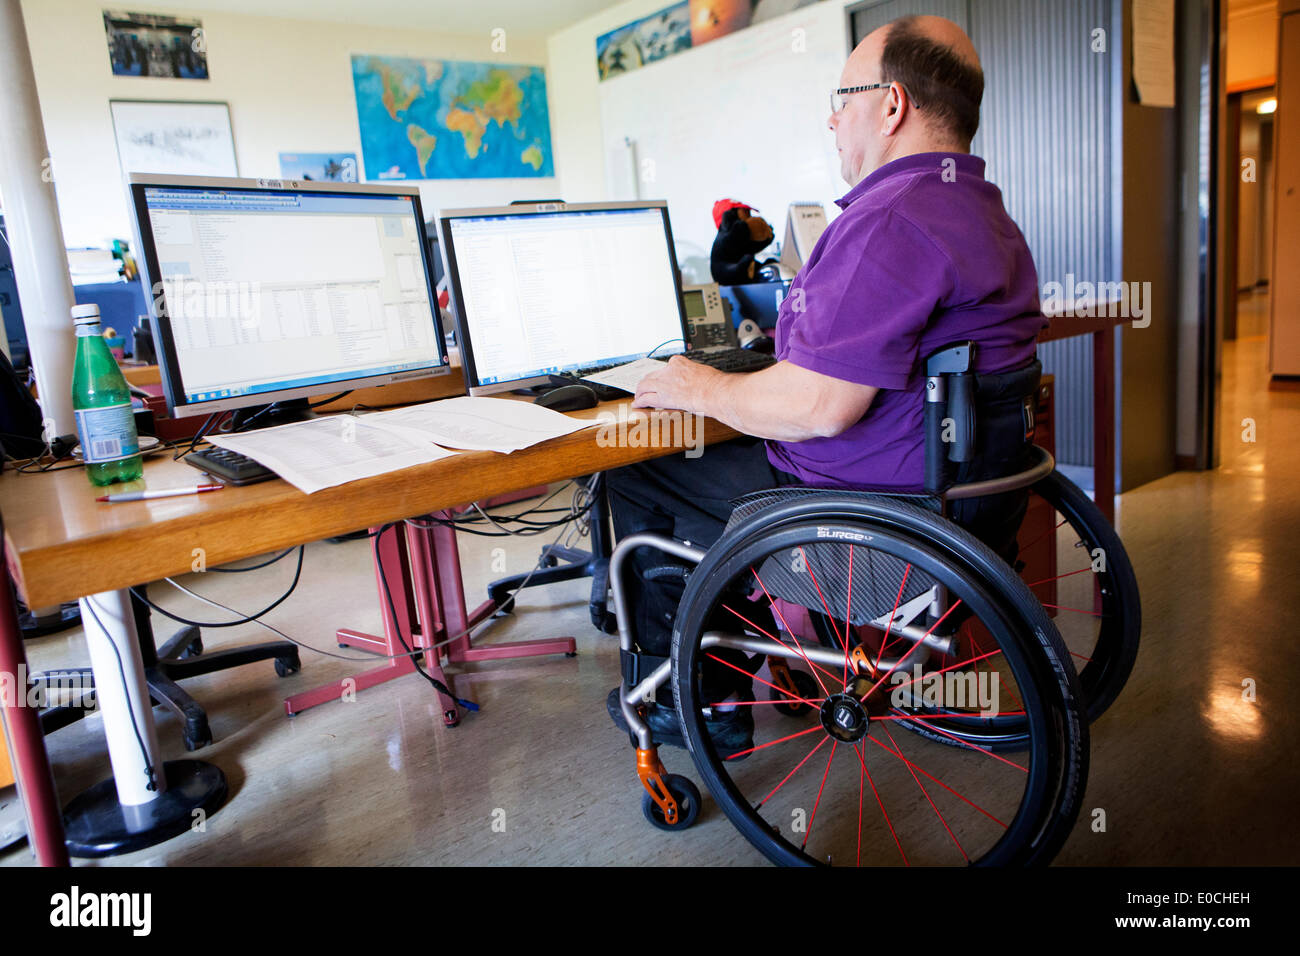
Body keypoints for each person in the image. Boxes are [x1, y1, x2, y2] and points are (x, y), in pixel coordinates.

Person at [605, 14, 1046, 749]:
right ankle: (751, 649)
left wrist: (696, 387)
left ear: (893, 105)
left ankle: (696, 703)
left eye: (842, 100)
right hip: (966, 504)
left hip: (872, 523)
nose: (833, 120)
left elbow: (820, 406)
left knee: (645, 464)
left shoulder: (890, 218)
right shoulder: (984, 211)